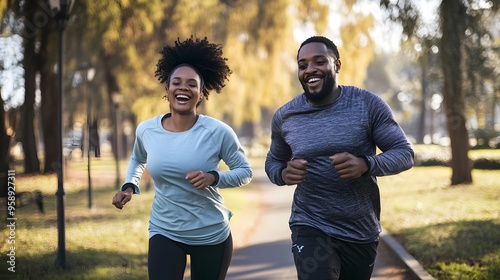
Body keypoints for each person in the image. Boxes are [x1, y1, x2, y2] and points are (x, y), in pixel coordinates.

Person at [265, 36, 414, 280]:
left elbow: (404, 153)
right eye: (303, 65)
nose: (310, 69)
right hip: (310, 223)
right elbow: (273, 162)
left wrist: (366, 164)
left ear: (337, 65)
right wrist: (283, 174)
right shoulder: (286, 116)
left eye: (319, 61)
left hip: (360, 230)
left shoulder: (367, 105)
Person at [112, 36, 252, 280]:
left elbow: (245, 171)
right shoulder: (147, 130)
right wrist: (129, 186)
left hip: (210, 233)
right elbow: (137, 159)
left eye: (192, 84)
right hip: (164, 230)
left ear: (201, 92)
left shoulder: (218, 132)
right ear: (167, 90)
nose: (183, 88)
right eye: (176, 83)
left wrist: (213, 177)